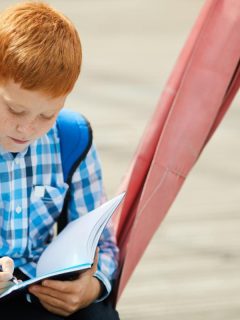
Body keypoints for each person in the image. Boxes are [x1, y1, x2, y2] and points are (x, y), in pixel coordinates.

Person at [0, 2, 120, 319]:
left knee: (99, 316)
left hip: (39, 290)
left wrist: (89, 288)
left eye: (46, 115)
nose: (26, 128)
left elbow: (104, 245)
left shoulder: (71, 139)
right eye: (14, 110)